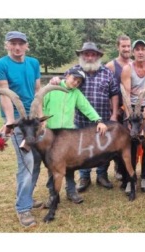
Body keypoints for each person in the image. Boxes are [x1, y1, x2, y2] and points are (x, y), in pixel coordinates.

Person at [50, 42, 119, 193]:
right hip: (80, 121)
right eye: (86, 54)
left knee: (103, 148)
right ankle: (84, 177)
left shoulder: (107, 73)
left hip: (103, 119)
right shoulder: (73, 71)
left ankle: (102, 175)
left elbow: (114, 93)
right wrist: (54, 80)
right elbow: (61, 83)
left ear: (98, 56)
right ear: (81, 56)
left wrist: (114, 114)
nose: (89, 57)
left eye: (92, 54)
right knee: (81, 150)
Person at [0, 31, 43, 227]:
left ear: (27, 45)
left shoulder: (34, 63)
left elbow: (38, 92)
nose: (17, 47)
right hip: (19, 123)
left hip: (34, 121)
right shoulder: (0, 65)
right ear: (7, 45)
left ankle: (27, 198)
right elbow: (5, 95)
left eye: (21, 43)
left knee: (37, 160)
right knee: (26, 162)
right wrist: (10, 122)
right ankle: (23, 208)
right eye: (13, 43)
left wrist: (41, 118)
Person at [43, 69, 108, 207]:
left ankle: (71, 191)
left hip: (67, 134)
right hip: (50, 133)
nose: (75, 83)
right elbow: (40, 105)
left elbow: (86, 107)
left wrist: (98, 120)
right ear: (67, 76)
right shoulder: (51, 88)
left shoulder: (76, 93)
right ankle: (52, 194)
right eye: (74, 79)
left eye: (79, 82)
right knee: (52, 166)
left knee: (70, 165)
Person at [121, 39, 145, 193]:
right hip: (132, 110)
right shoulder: (127, 69)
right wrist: (130, 114)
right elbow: (126, 94)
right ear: (133, 52)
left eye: (143, 49)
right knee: (131, 143)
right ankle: (130, 178)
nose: (140, 52)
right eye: (137, 49)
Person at [105, 34, 132, 182]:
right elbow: (108, 89)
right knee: (116, 141)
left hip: (130, 109)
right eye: (124, 46)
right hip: (116, 109)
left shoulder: (134, 64)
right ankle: (118, 167)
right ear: (118, 47)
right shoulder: (111, 66)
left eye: (128, 46)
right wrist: (113, 110)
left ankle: (128, 168)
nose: (126, 49)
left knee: (129, 140)